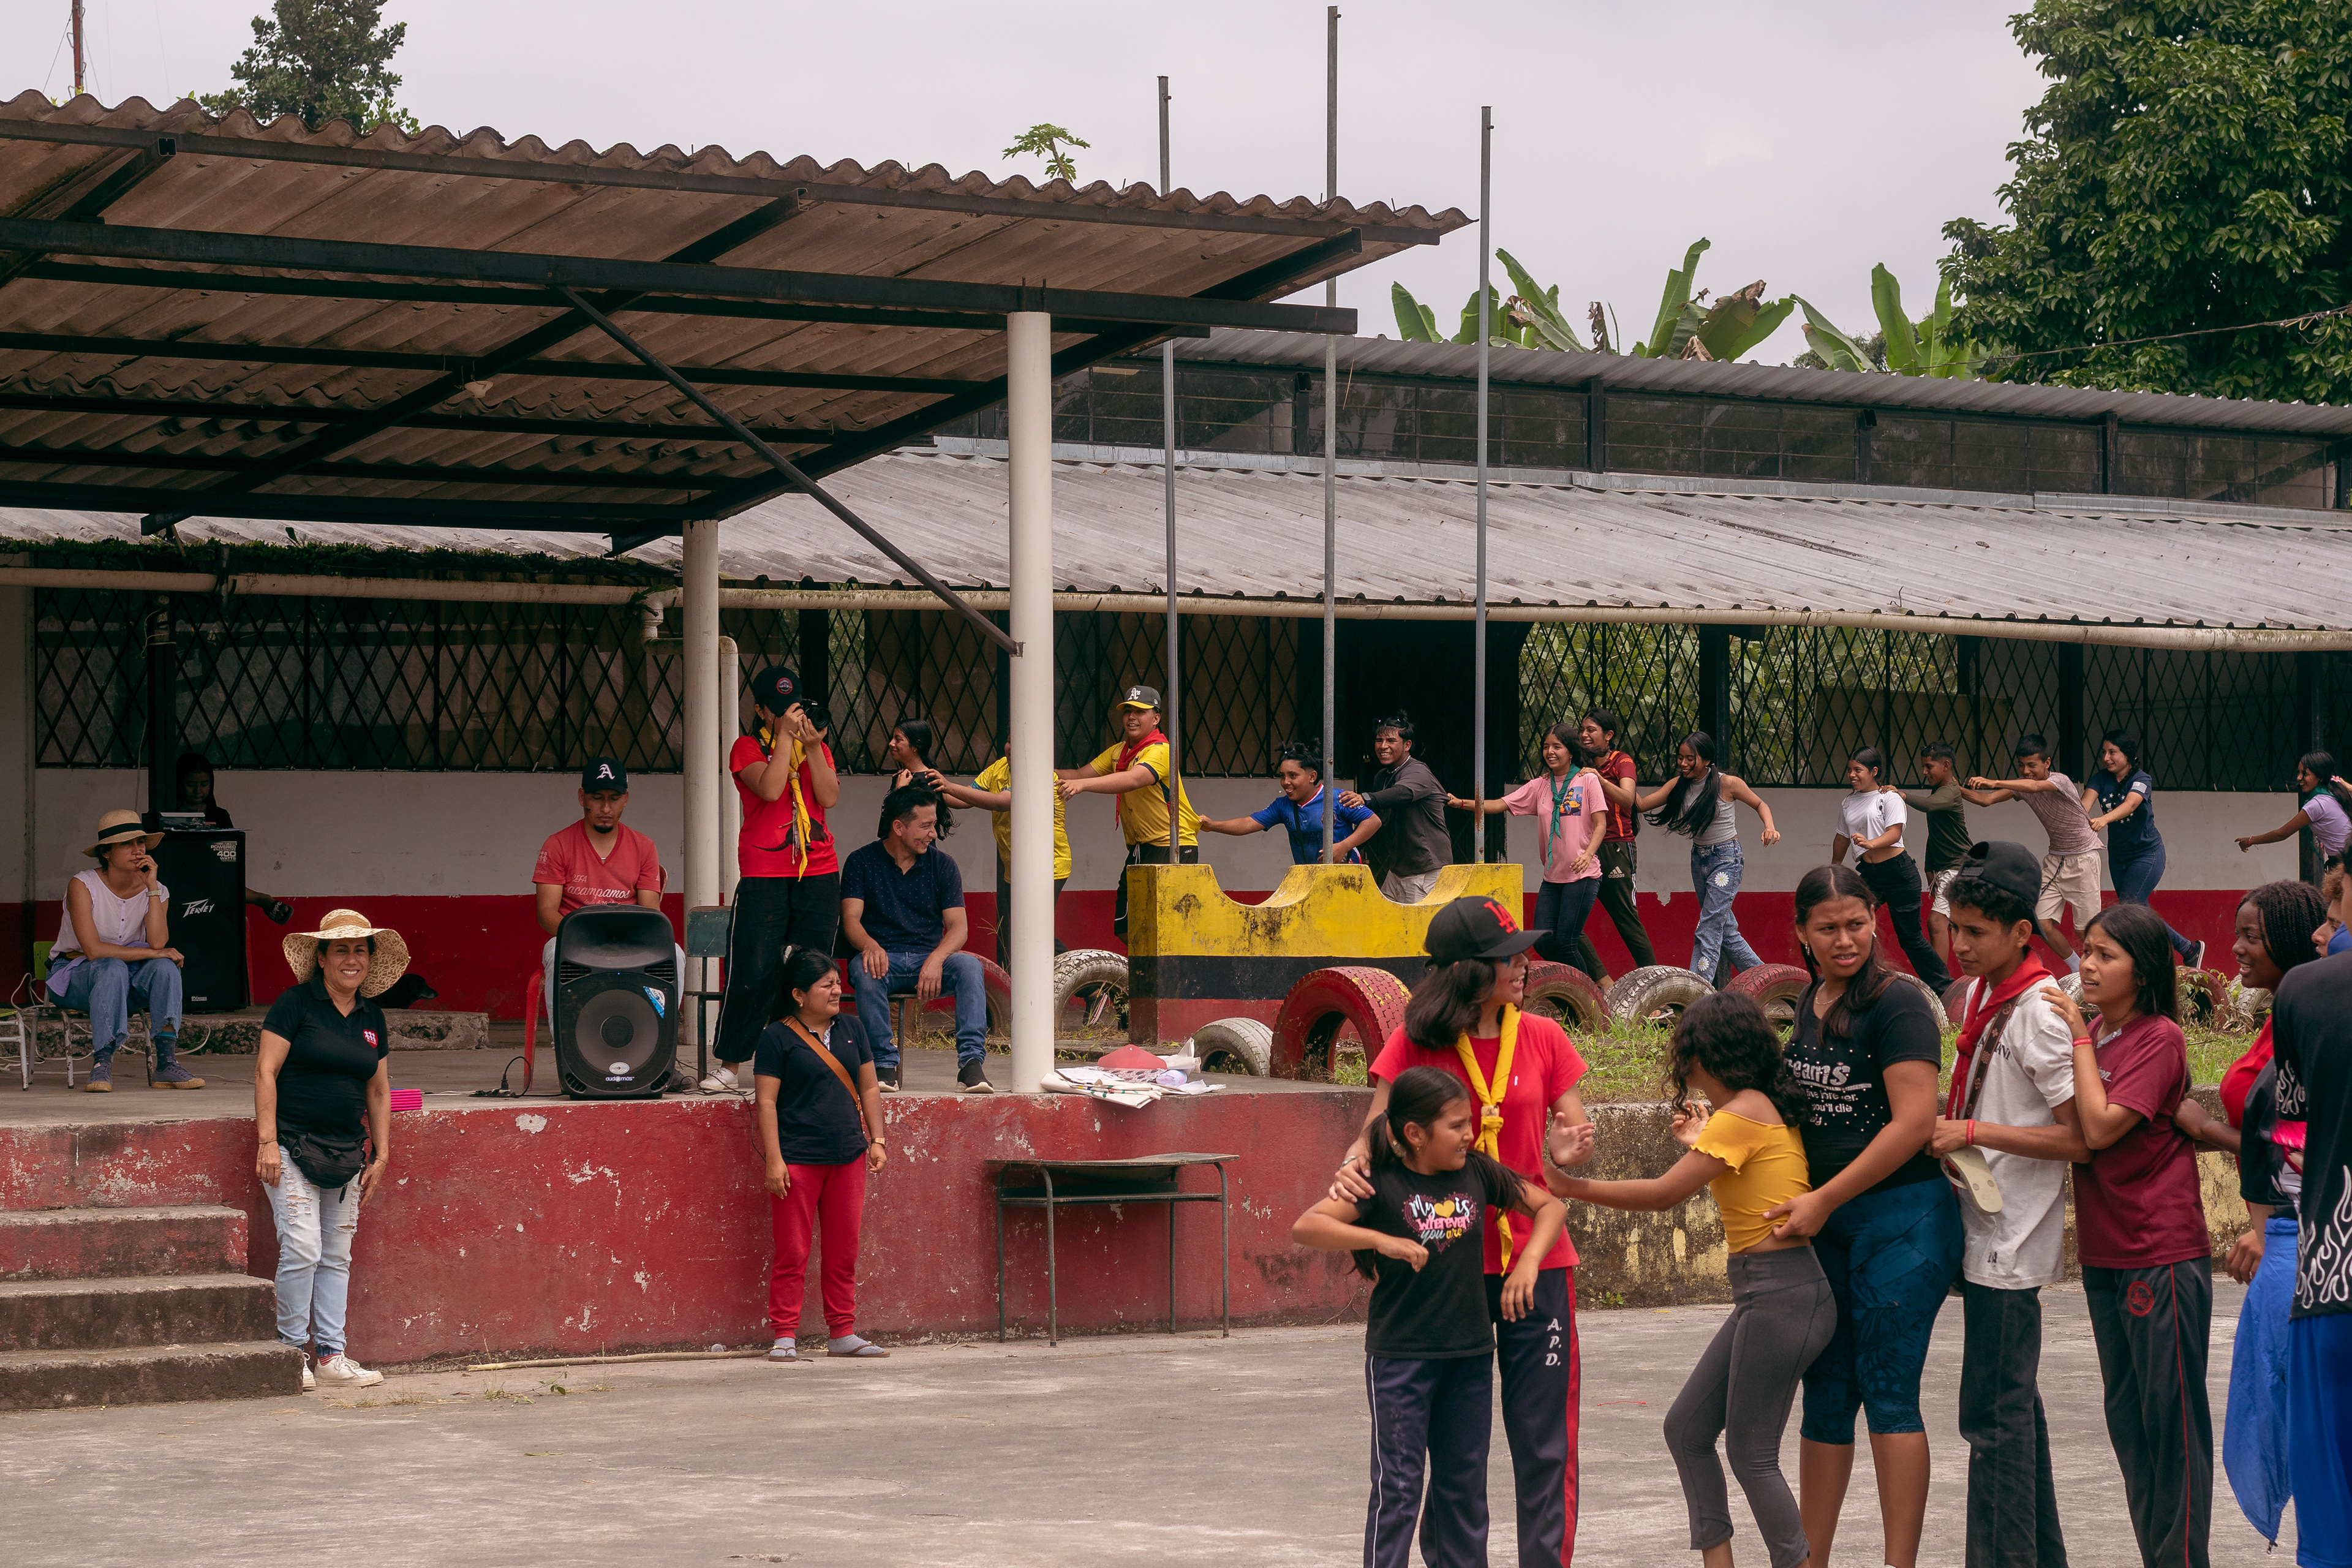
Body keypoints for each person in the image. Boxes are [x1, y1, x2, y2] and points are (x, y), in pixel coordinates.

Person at [1332, 895, 1596, 1568]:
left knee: (1544, 1442)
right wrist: (1352, 1170)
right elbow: (1375, 1131)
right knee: (1457, 1455)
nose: (1524, 964)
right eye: (1507, 957)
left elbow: (1571, 1131)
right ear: (1467, 970)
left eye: (1523, 952)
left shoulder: (1545, 1035)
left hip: (1538, 1264)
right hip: (1447, 1269)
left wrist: (1566, 1150)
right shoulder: (1414, 1042)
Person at [1549, 990, 1836, 1568]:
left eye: (1686, 1053)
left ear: (1706, 1055)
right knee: (1686, 1430)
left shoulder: (1743, 1113)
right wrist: (1698, 1142)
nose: (1684, 1067)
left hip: (1782, 1294)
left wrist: (1567, 1185)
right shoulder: (1750, 1110)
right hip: (1772, 1293)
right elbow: (1738, 1166)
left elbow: (1663, 1195)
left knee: (1752, 1454)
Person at [1762, 864, 1960, 1568]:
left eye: (1856, 924)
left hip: (1902, 1222)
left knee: (1889, 1391)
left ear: (1875, 920)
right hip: (1829, 1229)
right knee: (1825, 1394)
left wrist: (1823, 1199)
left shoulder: (1898, 1002)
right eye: (1828, 928)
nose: (1844, 940)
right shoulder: (1811, 998)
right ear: (1801, 933)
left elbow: (1913, 1123)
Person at [1293, 1066, 1567, 1568]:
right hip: (1402, 1360)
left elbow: (1550, 1208)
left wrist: (1528, 1264)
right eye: (1457, 1126)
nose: (1470, 1135)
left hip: (1469, 1358)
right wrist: (1381, 1240)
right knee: (1399, 1489)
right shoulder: (1378, 1182)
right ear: (1416, 1134)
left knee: (1464, 1488)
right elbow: (1308, 1226)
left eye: (1469, 1123)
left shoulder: (1479, 1172)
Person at [1928, 840, 2088, 1568]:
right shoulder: (1989, 994)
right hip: (1987, 1228)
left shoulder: (2039, 1013)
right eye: (1956, 928)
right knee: (2013, 1413)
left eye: (1976, 932)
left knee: (1993, 1421)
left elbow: (2079, 1138)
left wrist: (1973, 1131)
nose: (1960, 944)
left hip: (2011, 1240)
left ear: (2024, 931)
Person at [2040, 904, 2213, 1568]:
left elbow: (2099, 1128)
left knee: (2171, 1425)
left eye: (2105, 955)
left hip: (2158, 1251)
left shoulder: (2157, 1038)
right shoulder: (2102, 1035)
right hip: (2107, 1254)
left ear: (2142, 973)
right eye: (2086, 950)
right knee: (2131, 1424)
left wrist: (2078, 1040)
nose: (2086, 965)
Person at [2178, 880, 2327, 1551]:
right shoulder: (2280, 1014)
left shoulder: (2313, 1015)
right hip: (2280, 1229)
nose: (2236, 948)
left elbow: (2301, 1142)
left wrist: (2266, 1225)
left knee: (2300, 1421)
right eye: (2237, 933)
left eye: (2253, 936)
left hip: (2299, 1238)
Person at [255, 908, 402, 1392]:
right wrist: (267, 1141)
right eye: (341, 949)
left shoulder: (372, 1016)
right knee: (302, 1248)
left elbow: (378, 1090)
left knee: (336, 1255)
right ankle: (290, 1354)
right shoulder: (295, 1004)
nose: (351, 959)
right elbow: (266, 1071)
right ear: (321, 958)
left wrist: (381, 1155)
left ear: (370, 959)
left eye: (360, 950)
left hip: (345, 1154)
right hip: (291, 1146)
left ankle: (331, 1357)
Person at [2264, 918, 2352, 1568]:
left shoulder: (2305, 989)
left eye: (2336, 899)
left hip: (2332, 1271)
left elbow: (2291, 1147)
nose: (2327, 924)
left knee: (2331, 1512)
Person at [755, 946, 889, 1363]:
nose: (837, 991)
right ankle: (784, 1335)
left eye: (837, 982)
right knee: (792, 1251)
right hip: (797, 1158)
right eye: (826, 985)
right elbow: (766, 1102)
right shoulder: (776, 1037)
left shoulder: (853, 1028)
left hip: (848, 1155)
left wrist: (878, 1139)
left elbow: (869, 1087)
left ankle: (843, 1332)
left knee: (843, 1251)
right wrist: (775, 1160)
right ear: (799, 994)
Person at [711, 666, 842, 1096]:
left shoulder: (816, 746)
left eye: (795, 708)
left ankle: (803, 1060)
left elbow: (828, 797)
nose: (791, 716)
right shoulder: (746, 747)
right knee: (754, 967)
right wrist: (785, 739)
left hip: (818, 870)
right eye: (781, 710)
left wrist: (814, 746)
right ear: (761, 711)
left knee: (811, 969)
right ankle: (730, 1065)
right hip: (765, 872)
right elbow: (769, 790)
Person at [839, 784, 992, 1094]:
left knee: (969, 967)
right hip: (884, 960)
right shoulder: (861, 861)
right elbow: (850, 919)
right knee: (864, 969)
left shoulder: (943, 865)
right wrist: (869, 945)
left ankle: (971, 1064)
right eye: (926, 826)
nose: (933, 833)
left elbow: (959, 928)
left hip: (929, 959)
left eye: (933, 825)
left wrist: (937, 958)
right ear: (899, 827)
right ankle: (884, 1064)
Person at [46, 809, 197, 1091]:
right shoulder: (83, 885)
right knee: (112, 965)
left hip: (127, 979)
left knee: (165, 967)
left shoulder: (158, 890)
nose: (138, 850)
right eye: (126, 844)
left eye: (140, 842)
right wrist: (154, 954)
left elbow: (158, 944)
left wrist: (151, 887)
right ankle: (101, 1063)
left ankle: (166, 1063)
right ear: (106, 852)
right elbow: (93, 951)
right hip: (74, 978)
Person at [1450, 723, 1607, 980]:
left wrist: (1588, 854)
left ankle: (1586, 996)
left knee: (1566, 942)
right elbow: (1499, 805)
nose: (1550, 752)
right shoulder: (1540, 785)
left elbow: (1601, 824)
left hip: (1583, 876)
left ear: (1570, 751)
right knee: (1543, 942)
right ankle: (1567, 988)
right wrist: (1461, 803)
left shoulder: (1587, 780)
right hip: (1552, 877)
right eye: (1546, 747)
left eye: (1557, 747)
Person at [531, 756, 675, 1030]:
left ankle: (656, 1039)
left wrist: (623, 937)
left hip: (630, 941)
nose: (606, 808)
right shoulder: (558, 844)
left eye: (614, 798)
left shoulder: (644, 846)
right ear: (582, 797)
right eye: (597, 798)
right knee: (554, 950)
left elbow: (650, 911)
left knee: (675, 955)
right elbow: (546, 912)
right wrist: (584, 935)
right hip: (574, 941)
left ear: (626, 799)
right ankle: (562, 1044)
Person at [1635, 732, 1781, 984]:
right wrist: (1611, 778)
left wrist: (1770, 827)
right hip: (1699, 859)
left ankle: (1697, 988)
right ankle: (1768, 982)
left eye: (1690, 759)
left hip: (1726, 859)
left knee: (1708, 928)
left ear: (1706, 760)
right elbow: (1639, 804)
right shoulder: (1679, 784)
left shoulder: (1728, 783)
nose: (1683, 763)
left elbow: (1761, 804)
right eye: (1680, 757)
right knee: (1726, 932)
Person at [1058, 685, 1200, 940]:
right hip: (1139, 848)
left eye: (1140, 712)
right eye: (1127, 711)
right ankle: (1141, 967)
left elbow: (1134, 779)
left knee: (1167, 933)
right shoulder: (1118, 752)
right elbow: (1078, 774)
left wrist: (1083, 786)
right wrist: (1041, 772)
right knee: (1126, 928)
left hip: (1172, 846)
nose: (1132, 717)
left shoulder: (1162, 750)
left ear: (1156, 718)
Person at [925, 739, 1070, 970]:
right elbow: (964, 799)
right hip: (1016, 868)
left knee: (1033, 933)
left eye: (1021, 741)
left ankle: (1087, 978)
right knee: (1022, 933)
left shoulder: (1040, 774)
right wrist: (929, 787)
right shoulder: (999, 767)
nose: (1013, 747)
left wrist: (949, 786)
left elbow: (1002, 802)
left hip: (1047, 867)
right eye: (1011, 741)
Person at [1963, 734, 2101, 971]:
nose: (2026, 771)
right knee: (2040, 921)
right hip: (2056, 860)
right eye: (2021, 765)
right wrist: (1953, 789)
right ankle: (2076, 967)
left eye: (2031, 765)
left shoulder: (2060, 781)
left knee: (2087, 931)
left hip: (2084, 859)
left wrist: (1993, 781)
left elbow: (2035, 787)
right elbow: (1986, 801)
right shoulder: (2023, 786)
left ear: (2047, 763)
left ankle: (2103, 970)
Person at [1833, 745, 1950, 990]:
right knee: (1852, 922)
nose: (1852, 775)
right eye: (1849, 770)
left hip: (1899, 873)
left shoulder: (1888, 798)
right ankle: (1857, 983)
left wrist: (1870, 843)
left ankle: (1944, 989)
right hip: (1870, 875)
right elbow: (1842, 838)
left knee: (1910, 938)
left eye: (1858, 770)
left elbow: (1894, 833)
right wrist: (1833, 869)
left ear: (1874, 771)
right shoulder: (1848, 802)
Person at [2086, 728, 2205, 968]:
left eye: (2112, 752)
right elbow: (2083, 806)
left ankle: (2156, 957)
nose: (2106, 758)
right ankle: (2188, 950)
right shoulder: (2100, 778)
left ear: (2127, 754)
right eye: (2104, 753)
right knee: (2137, 911)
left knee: (2128, 909)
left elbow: (2131, 805)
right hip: (2118, 857)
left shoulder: (2141, 779)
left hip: (2147, 854)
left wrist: (2104, 819)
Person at [1573, 708, 1659, 976]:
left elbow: (1628, 799)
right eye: (1582, 730)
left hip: (1616, 847)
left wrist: (1599, 779)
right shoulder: (1578, 764)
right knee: (1567, 921)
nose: (1584, 735)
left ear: (1608, 735)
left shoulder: (1622, 761)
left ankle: (1656, 981)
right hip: (1583, 849)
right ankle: (1602, 980)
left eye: (1591, 730)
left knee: (1625, 919)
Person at [1197, 741, 1380, 865]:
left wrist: (1343, 847)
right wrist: (1213, 826)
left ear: (1312, 777)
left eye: (1293, 776)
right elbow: (1247, 823)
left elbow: (1373, 822)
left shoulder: (1336, 797)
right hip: (1308, 879)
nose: (1286, 782)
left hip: (1348, 877)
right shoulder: (1282, 805)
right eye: (1282, 776)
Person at [1341, 711, 1453, 905]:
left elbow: (1403, 793)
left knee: (1417, 924)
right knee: (1385, 920)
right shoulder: (1382, 777)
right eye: (1379, 740)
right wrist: (1347, 848)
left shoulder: (1418, 771)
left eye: (1391, 741)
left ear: (1407, 745)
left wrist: (1366, 798)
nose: (1383, 746)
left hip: (1425, 871)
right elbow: (1374, 821)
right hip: (1398, 871)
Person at [173, 752, 294, 924]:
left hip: (215, 876)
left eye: (204, 784)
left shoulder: (219, 815)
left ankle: (264, 900)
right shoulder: (169, 813)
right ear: (179, 783)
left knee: (224, 882)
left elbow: (230, 851)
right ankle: (262, 899)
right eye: (191, 784)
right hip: (179, 878)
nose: (198, 790)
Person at [1890, 741, 1972, 974]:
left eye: (1929, 767)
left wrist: (1902, 795)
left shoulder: (1950, 792)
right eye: (1923, 767)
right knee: (1954, 924)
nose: (1925, 772)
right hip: (1947, 869)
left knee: (1936, 922)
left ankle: (1939, 982)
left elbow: (1928, 805)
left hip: (1958, 868)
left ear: (1946, 766)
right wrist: (1929, 870)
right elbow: (1935, 835)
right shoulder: (1939, 790)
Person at [2236, 751, 2352, 867]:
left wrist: (2250, 841)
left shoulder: (2317, 804)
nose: (2299, 778)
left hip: (2345, 864)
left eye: (2305, 774)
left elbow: (2282, 834)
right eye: (2299, 772)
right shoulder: (2336, 792)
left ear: (2320, 777)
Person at [883, 717, 952, 834]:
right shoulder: (902, 777)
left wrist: (901, 790)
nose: (891, 743)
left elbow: (921, 825)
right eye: (892, 738)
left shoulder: (928, 780)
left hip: (917, 844)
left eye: (898, 740)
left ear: (916, 745)